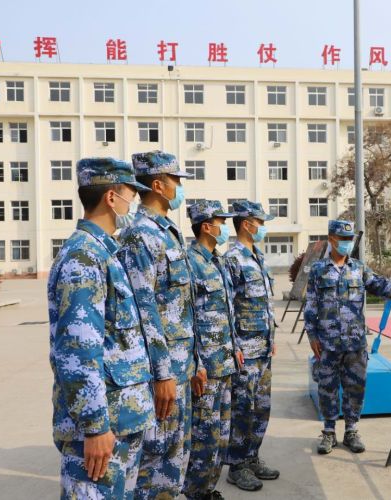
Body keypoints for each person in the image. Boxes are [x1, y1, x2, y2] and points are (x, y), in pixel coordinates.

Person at [47, 157, 155, 498]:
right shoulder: (83, 257)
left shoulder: (106, 253)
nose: (134, 203)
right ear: (111, 197)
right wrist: (95, 427)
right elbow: (77, 350)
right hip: (100, 431)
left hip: (123, 421)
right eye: (130, 195)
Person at [304, 219, 391, 455]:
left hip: (355, 343)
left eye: (349, 240)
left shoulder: (359, 268)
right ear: (332, 239)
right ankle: (329, 432)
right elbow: (311, 304)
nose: (347, 244)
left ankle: (351, 430)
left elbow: (382, 286)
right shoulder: (318, 271)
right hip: (328, 343)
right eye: (342, 239)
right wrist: (312, 335)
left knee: (355, 388)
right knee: (327, 388)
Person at [117, 150, 197, 498]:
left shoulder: (167, 231)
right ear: (157, 184)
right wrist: (162, 373)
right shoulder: (142, 235)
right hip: (161, 372)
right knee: (154, 462)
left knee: (174, 456)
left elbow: (179, 306)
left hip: (181, 365)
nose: (180, 188)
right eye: (176, 181)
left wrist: (193, 363)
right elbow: (144, 308)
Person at [183, 200, 243, 500]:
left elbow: (226, 311)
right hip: (206, 366)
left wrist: (235, 347)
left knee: (220, 433)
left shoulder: (217, 261)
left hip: (225, 362)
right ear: (206, 226)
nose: (224, 228)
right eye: (220, 222)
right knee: (204, 435)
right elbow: (185, 317)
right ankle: (195, 491)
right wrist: (195, 365)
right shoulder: (190, 262)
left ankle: (207, 488)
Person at [223, 201, 280, 492]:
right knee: (243, 408)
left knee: (262, 408)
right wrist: (234, 346)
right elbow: (228, 305)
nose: (263, 226)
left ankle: (252, 456)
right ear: (247, 224)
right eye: (260, 221)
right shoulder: (232, 259)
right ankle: (237, 465)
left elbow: (264, 304)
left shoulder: (257, 257)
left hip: (263, 348)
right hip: (245, 348)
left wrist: (272, 338)